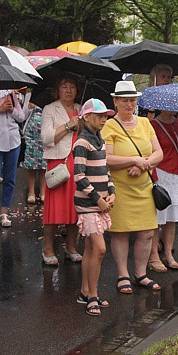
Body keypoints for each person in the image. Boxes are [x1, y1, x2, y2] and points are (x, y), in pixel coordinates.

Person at [102, 81, 164, 293]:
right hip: (119, 187)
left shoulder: (146, 124)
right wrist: (135, 161)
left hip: (144, 187)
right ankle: (122, 275)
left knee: (146, 232)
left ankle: (140, 274)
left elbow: (159, 153)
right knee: (121, 232)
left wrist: (143, 163)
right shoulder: (110, 125)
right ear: (116, 101)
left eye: (132, 100)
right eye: (124, 100)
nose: (129, 104)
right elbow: (107, 158)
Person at [72, 98, 116, 316]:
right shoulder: (81, 143)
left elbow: (106, 170)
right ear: (86, 117)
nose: (104, 119)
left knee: (90, 249)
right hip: (88, 205)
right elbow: (79, 175)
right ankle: (93, 295)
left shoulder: (101, 141)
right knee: (100, 249)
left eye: (105, 116)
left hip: (100, 203)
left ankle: (85, 291)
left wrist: (112, 191)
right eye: (99, 116)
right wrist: (98, 198)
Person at [41, 77, 83, 266]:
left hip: (78, 161)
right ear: (57, 90)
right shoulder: (50, 109)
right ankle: (48, 249)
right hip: (58, 162)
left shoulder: (82, 109)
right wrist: (68, 126)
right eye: (64, 86)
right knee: (54, 209)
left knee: (75, 207)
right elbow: (47, 138)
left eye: (72, 86)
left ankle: (71, 247)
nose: (68, 90)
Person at [148, 108, 178, 270]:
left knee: (171, 217)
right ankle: (153, 255)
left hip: (176, 172)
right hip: (161, 172)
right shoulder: (153, 125)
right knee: (157, 216)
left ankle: (168, 253)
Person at [0, 91, 26, 228]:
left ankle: (4, 211)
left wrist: (12, 109)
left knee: (10, 178)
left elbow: (21, 117)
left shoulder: (12, 95)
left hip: (13, 140)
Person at [20, 101, 47, 204]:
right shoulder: (30, 97)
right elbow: (22, 116)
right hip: (31, 136)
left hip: (44, 135)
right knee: (31, 164)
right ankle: (31, 191)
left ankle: (42, 192)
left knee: (43, 165)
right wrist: (29, 106)